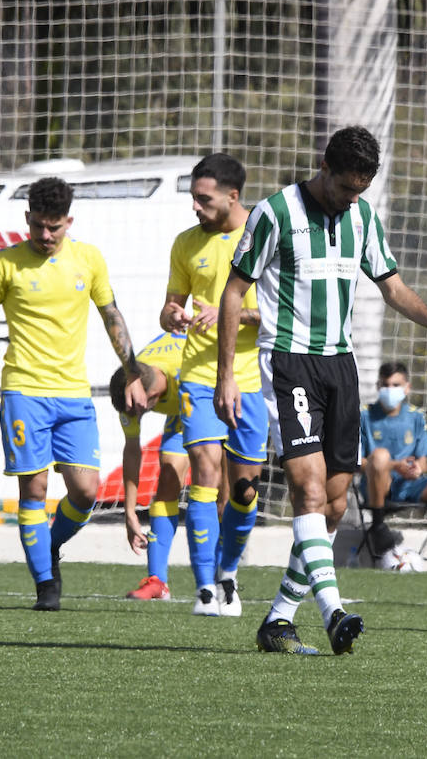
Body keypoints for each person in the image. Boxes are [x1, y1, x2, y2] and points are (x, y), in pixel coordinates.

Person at [215, 125, 427, 655]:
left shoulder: (362, 218)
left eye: (360, 192)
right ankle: (333, 612)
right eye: (344, 188)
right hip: (288, 363)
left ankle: (279, 619)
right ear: (323, 167)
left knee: (331, 506)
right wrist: (226, 375)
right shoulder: (275, 213)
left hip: (341, 367)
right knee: (306, 491)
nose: (350, 199)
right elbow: (234, 291)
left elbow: (391, 285)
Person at [0, 176, 147, 611]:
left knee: (86, 492)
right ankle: (46, 583)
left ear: (69, 221)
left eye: (54, 228)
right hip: (24, 391)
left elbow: (111, 316)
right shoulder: (5, 264)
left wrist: (133, 371)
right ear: (27, 219)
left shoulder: (89, 260)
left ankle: (47, 547)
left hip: (73, 395)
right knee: (35, 489)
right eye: (38, 227)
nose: (45, 236)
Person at [159, 153, 268, 618]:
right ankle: (204, 589)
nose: (196, 208)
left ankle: (227, 575)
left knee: (244, 491)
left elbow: (279, 317)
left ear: (232, 196)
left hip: (251, 380)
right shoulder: (186, 243)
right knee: (204, 469)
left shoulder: (263, 239)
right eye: (194, 199)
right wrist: (173, 315)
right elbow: (169, 306)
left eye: (204, 200)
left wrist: (230, 313)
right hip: (200, 378)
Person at [360, 362, 427, 571]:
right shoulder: (364, 415)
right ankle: (377, 525)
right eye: (385, 385)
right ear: (377, 387)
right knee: (380, 456)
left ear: (407, 388)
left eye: (395, 385)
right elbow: (356, 462)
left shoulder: (416, 415)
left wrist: (417, 469)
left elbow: (423, 462)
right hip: (378, 486)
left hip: (409, 484)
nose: (390, 390)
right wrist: (393, 465)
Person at [108, 330, 190, 602]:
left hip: (218, 393)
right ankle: (157, 581)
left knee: (224, 490)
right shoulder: (132, 386)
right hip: (182, 409)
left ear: (151, 397)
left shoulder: (185, 373)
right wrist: (129, 512)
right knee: (168, 475)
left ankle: (221, 580)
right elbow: (132, 451)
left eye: (138, 412)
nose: (134, 417)